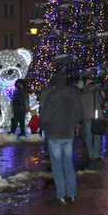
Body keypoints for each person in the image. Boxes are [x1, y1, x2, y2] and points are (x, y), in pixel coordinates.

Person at [40, 72, 83, 205]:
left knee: (57, 165)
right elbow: (80, 114)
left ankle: (61, 195)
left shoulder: (52, 96)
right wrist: (71, 123)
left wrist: (44, 126)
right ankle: (72, 193)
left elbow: (45, 116)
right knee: (68, 164)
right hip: (68, 133)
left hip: (54, 133)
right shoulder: (74, 95)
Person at [79, 78, 106, 161]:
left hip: (87, 117)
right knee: (97, 137)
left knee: (88, 137)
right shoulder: (97, 92)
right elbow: (102, 102)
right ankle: (96, 154)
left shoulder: (82, 93)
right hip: (96, 116)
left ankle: (90, 155)